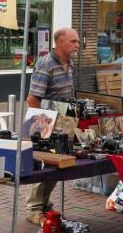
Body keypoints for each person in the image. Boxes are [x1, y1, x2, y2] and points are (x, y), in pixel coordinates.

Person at [25, 28, 80, 226]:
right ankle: (34, 209)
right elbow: (32, 99)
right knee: (41, 166)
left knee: (56, 166)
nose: (77, 45)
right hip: (45, 121)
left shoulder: (69, 63)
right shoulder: (46, 63)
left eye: (78, 42)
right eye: (73, 41)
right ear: (59, 42)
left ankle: (45, 204)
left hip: (63, 120)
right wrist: (43, 131)